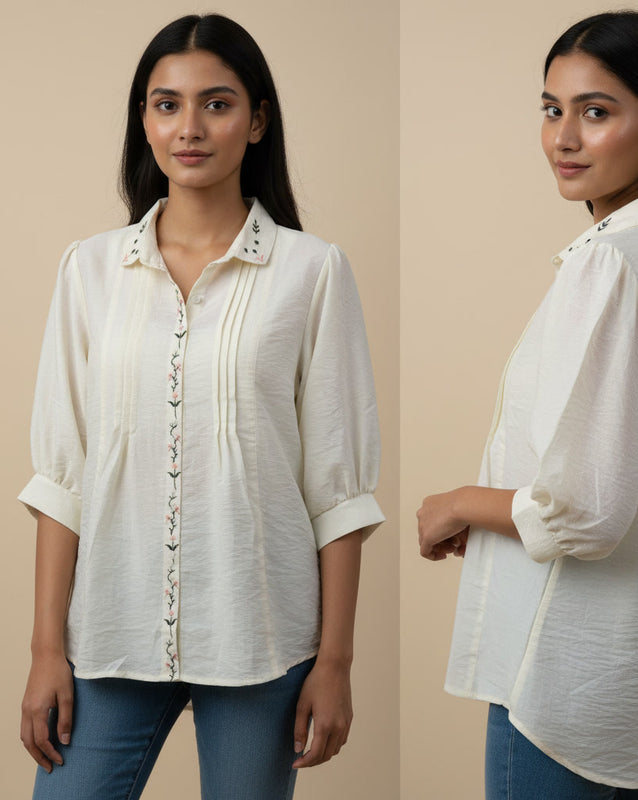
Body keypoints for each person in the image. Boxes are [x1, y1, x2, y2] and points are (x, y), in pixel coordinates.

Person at [19, 13, 383, 800]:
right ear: (144, 121)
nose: (189, 127)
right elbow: (63, 479)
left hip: (262, 638)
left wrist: (336, 662)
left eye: (217, 104)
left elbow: (339, 489)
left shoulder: (313, 272)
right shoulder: (88, 271)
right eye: (167, 104)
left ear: (257, 121)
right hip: (111, 632)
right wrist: (47, 649)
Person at [417, 11, 638, 800]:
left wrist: (461, 502)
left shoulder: (611, 267)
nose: (564, 138)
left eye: (596, 112)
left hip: (568, 696)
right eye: (552, 109)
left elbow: (588, 511)